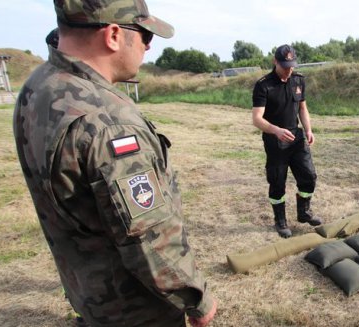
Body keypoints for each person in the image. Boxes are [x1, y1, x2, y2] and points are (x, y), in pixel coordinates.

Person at [12, 1, 216, 326]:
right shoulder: (109, 123)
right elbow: (148, 237)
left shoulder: (40, 86)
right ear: (114, 35)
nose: (149, 46)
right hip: (135, 308)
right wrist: (196, 299)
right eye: (146, 35)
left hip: (88, 290)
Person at [252, 44, 323, 238]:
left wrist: (308, 129)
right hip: (275, 140)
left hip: (297, 138)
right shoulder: (264, 85)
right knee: (277, 182)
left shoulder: (298, 80)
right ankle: (280, 220)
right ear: (275, 62)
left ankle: (304, 212)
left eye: (291, 65)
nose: (289, 69)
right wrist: (276, 130)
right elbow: (257, 118)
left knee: (309, 176)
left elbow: (302, 108)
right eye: (285, 65)